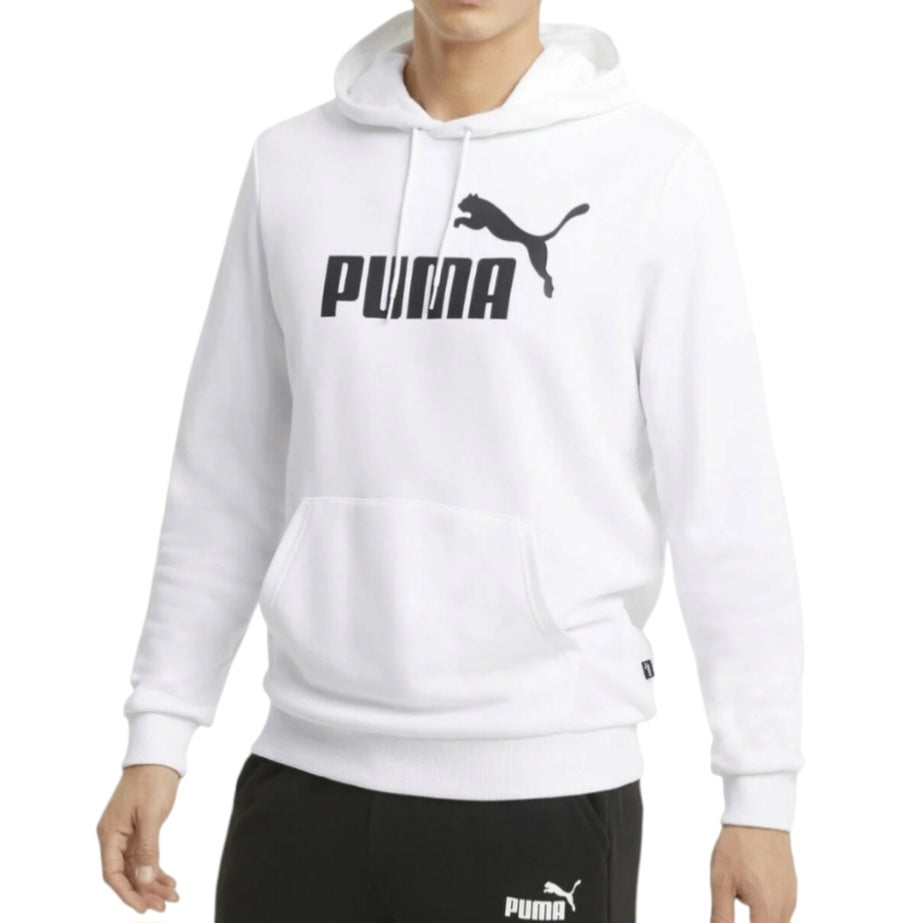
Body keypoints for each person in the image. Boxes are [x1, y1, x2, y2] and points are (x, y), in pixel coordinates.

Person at [96, 2, 805, 921]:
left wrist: (759, 792)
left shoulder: (652, 170)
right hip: (303, 776)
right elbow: (224, 474)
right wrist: (159, 730)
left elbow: (725, 497)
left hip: (540, 780)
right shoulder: (291, 165)